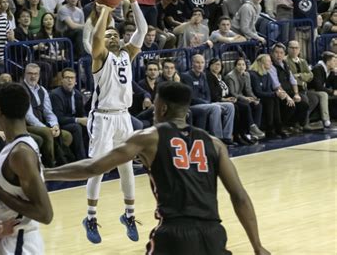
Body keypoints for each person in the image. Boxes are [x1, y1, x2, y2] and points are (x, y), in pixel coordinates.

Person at [44, 81, 270, 255]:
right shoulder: (215, 143)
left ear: (161, 107)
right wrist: (257, 246)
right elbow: (239, 197)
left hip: (174, 234)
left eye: (154, 106)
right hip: (213, 233)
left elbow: (93, 167)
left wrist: (46, 173)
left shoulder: (148, 138)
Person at [81, 0, 147, 244]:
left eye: (116, 34)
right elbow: (96, 38)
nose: (114, 36)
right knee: (98, 168)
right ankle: (91, 217)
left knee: (127, 167)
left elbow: (142, 29)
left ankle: (129, 215)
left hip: (122, 116)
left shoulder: (126, 55)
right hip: (102, 117)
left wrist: (133, 2)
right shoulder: (99, 58)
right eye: (110, 35)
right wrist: (106, 9)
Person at [0, 82, 53, 254]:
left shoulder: (20, 152)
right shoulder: (17, 146)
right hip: (9, 239)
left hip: (20, 243)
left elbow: (45, 214)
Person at [50, 68, 88, 161]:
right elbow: (59, 118)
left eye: (72, 78)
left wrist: (86, 119)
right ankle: (82, 160)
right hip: (60, 124)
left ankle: (92, 156)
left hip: (73, 122)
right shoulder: (55, 94)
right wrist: (78, 120)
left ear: (75, 81)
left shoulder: (78, 94)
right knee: (76, 127)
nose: (70, 80)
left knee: (90, 126)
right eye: (67, 77)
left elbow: (81, 113)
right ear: (62, 80)